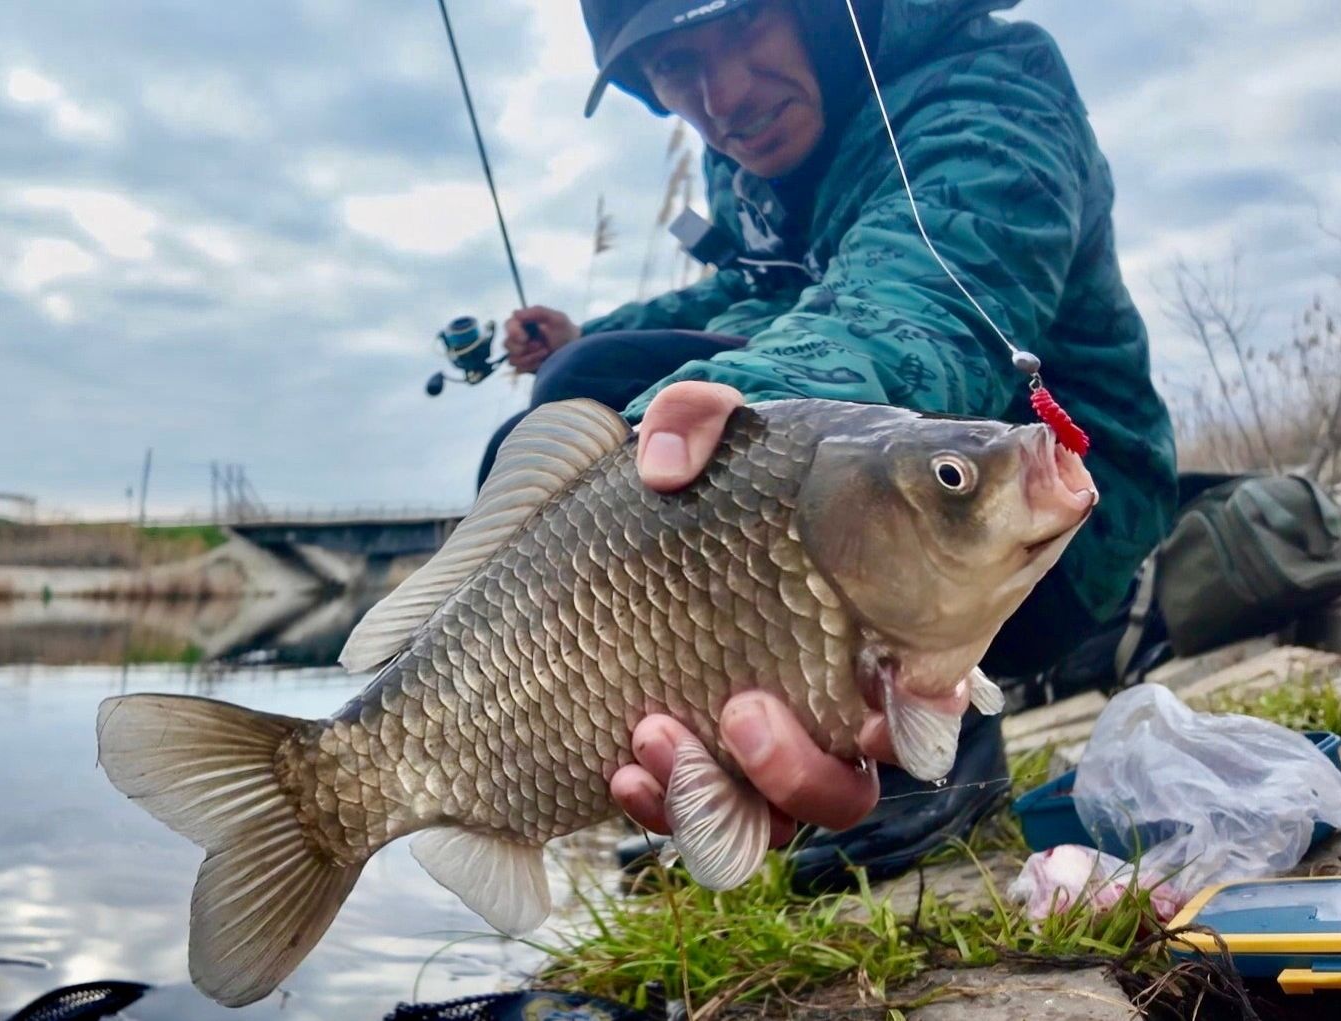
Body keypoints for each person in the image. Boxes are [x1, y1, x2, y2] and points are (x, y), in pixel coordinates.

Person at [476, 0, 1177, 888]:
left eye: (744, 26)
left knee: (637, 416)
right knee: (578, 381)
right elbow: (746, 293)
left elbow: (913, 311)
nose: (723, 95)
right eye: (677, 67)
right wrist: (587, 337)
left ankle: (940, 730)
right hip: (879, 518)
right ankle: (716, 746)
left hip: (1061, 512)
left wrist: (742, 416)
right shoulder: (757, 158)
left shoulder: (988, 97)